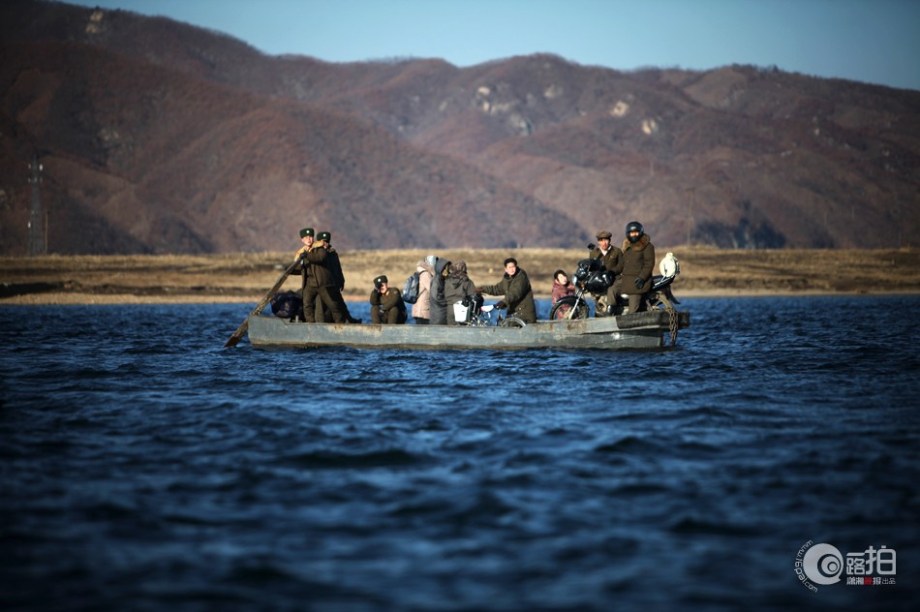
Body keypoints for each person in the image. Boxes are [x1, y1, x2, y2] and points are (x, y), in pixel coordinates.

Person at [302, 231, 348, 323]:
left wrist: (341, 281)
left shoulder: (328, 252)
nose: (325, 243)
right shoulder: (313, 250)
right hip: (312, 283)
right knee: (307, 303)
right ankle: (310, 324)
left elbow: (336, 267)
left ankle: (340, 323)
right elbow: (303, 267)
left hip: (324, 284)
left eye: (327, 241)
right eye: (323, 241)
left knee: (333, 305)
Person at [611, 220, 656, 314]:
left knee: (632, 311)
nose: (634, 235)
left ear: (640, 232)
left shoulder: (648, 246)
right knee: (611, 290)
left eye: (636, 232)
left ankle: (631, 318)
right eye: (631, 233)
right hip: (625, 280)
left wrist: (642, 278)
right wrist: (612, 271)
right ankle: (611, 312)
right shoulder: (627, 247)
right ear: (628, 234)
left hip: (638, 282)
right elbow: (622, 264)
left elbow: (649, 264)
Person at [478, 257, 536, 323]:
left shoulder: (521, 278)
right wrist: (482, 289)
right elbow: (496, 289)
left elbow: (515, 293)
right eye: (509, 267)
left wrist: (504, 302)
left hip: (524, 314)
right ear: (506, 269)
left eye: (513, 267)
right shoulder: (507, 279)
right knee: (503, 324)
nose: (512, 269)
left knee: (507, 325)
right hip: (513, 313)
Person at [589, 230, 624, 316]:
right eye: (601, 240)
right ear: (598, 242)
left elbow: (621, 266)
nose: (604, 243)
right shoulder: (594, 253)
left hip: (615, 279)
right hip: (600, 280)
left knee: (611, 290)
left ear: (609, 240)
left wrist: (612, 272)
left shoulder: (617, 251)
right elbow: (592, 267)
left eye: (606, 240)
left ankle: (611, 311)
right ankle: (599, 312)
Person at [443, 260, 479, 325]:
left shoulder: (446, 280)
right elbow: (473, 296)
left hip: (448, 310)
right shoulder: (467, 282)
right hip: (462, 311)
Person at [411, 256, 435, 324]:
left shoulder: (420, 273)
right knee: (424, 333)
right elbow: (432, 290)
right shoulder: (426, 274)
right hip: (423, 310)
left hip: (418, 309)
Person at [428, 256, 451, 325]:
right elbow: (436, 297)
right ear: (440, 269)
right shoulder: (437, 281)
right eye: (445, 268)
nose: (447, 271)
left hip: (442, 315)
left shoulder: (442, 279)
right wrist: (449, 301)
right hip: (438, 317)